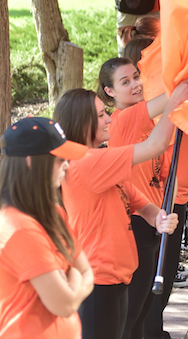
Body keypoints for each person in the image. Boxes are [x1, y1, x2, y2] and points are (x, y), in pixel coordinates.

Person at [54, 86, 185, 339]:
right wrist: (175, 104)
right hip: (97, 283)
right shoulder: (87, 162)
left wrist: (157, 217)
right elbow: (156, 145)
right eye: (101, 115)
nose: (109, 119)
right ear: (82, 122)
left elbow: (140, 203)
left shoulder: (99, 160)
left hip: (117, 278)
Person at [0, 117, 92, 339]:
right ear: (32, 162)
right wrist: (75, 276)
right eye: (61, 159)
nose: (67, 165)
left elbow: (88, 271)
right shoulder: (19, 228)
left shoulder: (54, 213)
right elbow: (65, 304)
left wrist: (71, 280)